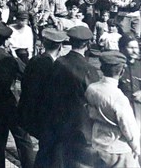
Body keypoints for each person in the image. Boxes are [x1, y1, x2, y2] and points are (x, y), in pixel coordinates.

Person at [0, 23, 35, 168]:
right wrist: (14, 56)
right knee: (23, 140)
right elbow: (26, 73)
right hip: (10, 104)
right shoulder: (9, 60)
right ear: (6, 41)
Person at [47, 25, 100, 168]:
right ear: (87, 44)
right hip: (80, 124)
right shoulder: (89, 69)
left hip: (58, 119)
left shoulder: (59, 62)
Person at [17, 28, 68, 168]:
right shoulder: (54, 66)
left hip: (32, 114)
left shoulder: (34, 61)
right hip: (47, 117)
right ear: (60, 46)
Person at [85, 51, 140, 167]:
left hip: (98, 143)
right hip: (118, 149)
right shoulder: (119, 98)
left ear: (102, 68)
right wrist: (136, 148)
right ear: (122, 72)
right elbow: (128, 128)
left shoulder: (92, 88)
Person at [118, 33, 141, 123]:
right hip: (123, 110)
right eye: (131, 48)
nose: (134, 51)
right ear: (122, 49)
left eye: (136, 48)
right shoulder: (117, 67)